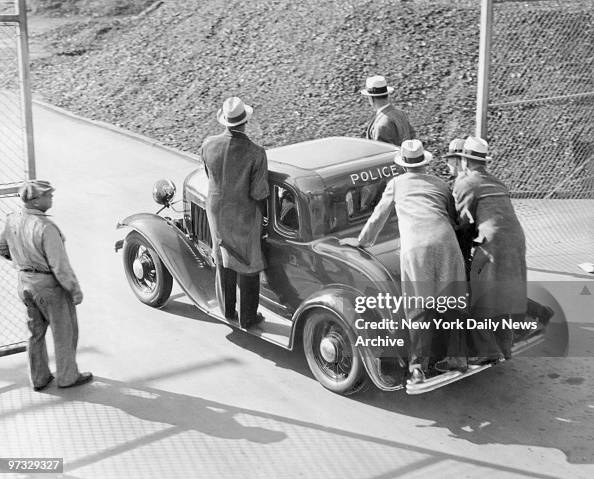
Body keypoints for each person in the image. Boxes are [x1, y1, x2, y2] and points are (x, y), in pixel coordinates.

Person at [341, 140, 468, 384]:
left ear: (403, 166)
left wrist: (362, 241)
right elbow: (451, 216)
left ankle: (419, 367)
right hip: (446, 242)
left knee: (419, 308)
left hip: (416, 247)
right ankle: (457, 357)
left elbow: (379, 215)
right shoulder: (440, 184)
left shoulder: (396, 184)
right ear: (425, 163)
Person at [0, 180, 92, 391]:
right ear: (36, 200)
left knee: (35, 333)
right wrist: (74, 290)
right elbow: (60, 266)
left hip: (25, 282)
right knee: (64, 332)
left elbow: (1, 246)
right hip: (49, 286)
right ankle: (68, 377)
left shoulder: (12, 219)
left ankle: (39, 378)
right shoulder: (46, 228)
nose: (51, 198)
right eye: (48, 195)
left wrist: (21, 262)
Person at [446, 136, 527, 362]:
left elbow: (461, 221)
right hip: (516, 240)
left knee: (481, 295)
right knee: (503, 292)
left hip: (492, 243)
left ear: (465, 161)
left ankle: (486, 351)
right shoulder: (497, 182)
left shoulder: (466, 182)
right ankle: (505, 345)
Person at [200, 97, 270, 329]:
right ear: (245, 122)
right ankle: (248, 316)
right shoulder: (256, 152)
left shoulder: (208, 144)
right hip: (244, 213)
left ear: (225, 121)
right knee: (248, 262)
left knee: (222, 255)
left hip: (216, 211)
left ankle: (228, 309)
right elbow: (259, 193)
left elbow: (209, 175)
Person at [361, 75, 416, 146]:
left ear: (371, 98)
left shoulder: (381, 125)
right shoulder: (401, 114)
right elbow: (412, 135)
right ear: (386, 94)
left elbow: (382, 153)